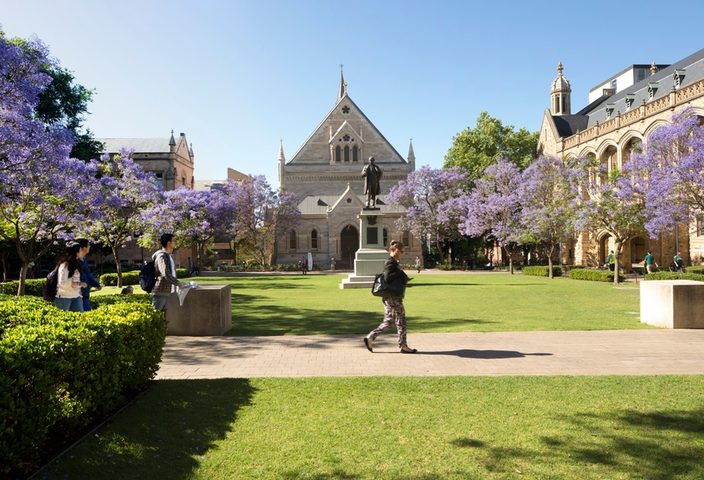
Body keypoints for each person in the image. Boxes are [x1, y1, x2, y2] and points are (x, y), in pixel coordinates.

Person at [364, 240, 417, 354]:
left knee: (389, 321)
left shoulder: (393, 262)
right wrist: (399, 272)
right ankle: (403, 346)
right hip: (393, 298)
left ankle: (370, 337)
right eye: (400, 251)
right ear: (393, 250)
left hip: (389, 298)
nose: (401, 253)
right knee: (401, 321)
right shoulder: (391, 262)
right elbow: (387, 277)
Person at [151, 233, 189, 311]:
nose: (175, 242)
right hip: (161, 291)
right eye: (174, 241)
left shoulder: (168, 256)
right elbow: (166, 274)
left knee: (166, 319)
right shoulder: (161, 256)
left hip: (169, 291)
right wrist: (179, 283)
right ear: (169, 243)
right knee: (156, 315)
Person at [55, 241, 88, 312]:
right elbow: (63, 283)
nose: (82, 252)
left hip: (76, 296)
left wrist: (80, 294)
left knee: (80, 319)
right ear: (76, 252)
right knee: (64, 320)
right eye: (80, 250)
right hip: (64, 297)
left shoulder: (77, 264)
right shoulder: (64, 265)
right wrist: (80, 284)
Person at [77, 239, 102, 312]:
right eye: (88, 245)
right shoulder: (75, 261)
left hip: (85, 293)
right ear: (84, 248)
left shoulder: (83, 260)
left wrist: (97, 285)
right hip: (78, 293)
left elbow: (88, 275)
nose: (89, 247)